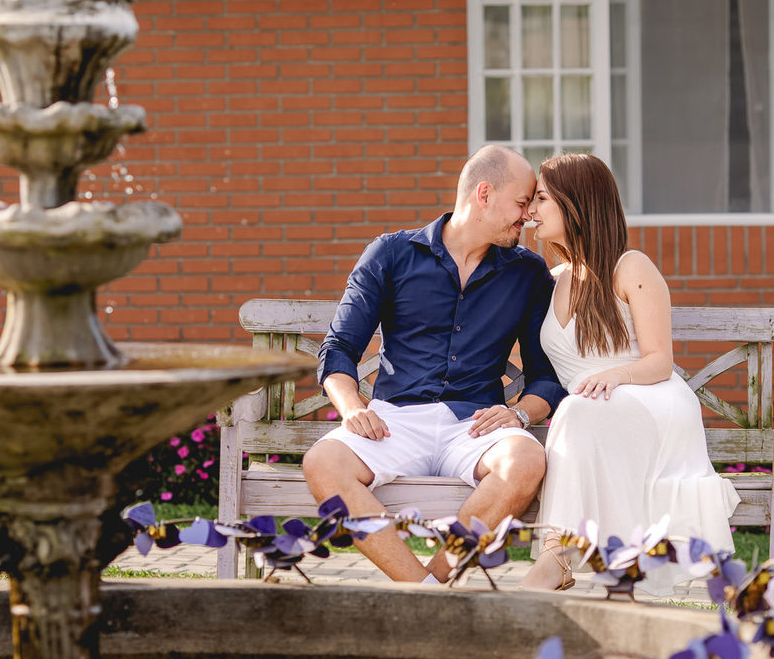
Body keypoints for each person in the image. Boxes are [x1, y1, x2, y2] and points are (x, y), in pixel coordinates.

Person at [303, 145, 567, 584]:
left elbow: (546, 376)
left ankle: (432, 586)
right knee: (322, 463)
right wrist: (352, 408)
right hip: (394, 422)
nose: (528, 216)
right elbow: (339, 346)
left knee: (525, 459)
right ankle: (426, 593)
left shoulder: (527, 272)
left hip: (475, 425)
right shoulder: (390, 254)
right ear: (484, 193)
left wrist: (520, 412)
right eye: (522, 203)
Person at [517, 152, 740, 594]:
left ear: (575, 202)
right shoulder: (553, 278)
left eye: (541, 199)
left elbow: (660, 359)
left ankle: (555, 557)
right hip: (591, 413)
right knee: (579, 412)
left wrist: (619, 375)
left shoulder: (629, 266)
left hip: (649, 398)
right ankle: (594, 568)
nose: (530, 212)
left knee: (577, 411)